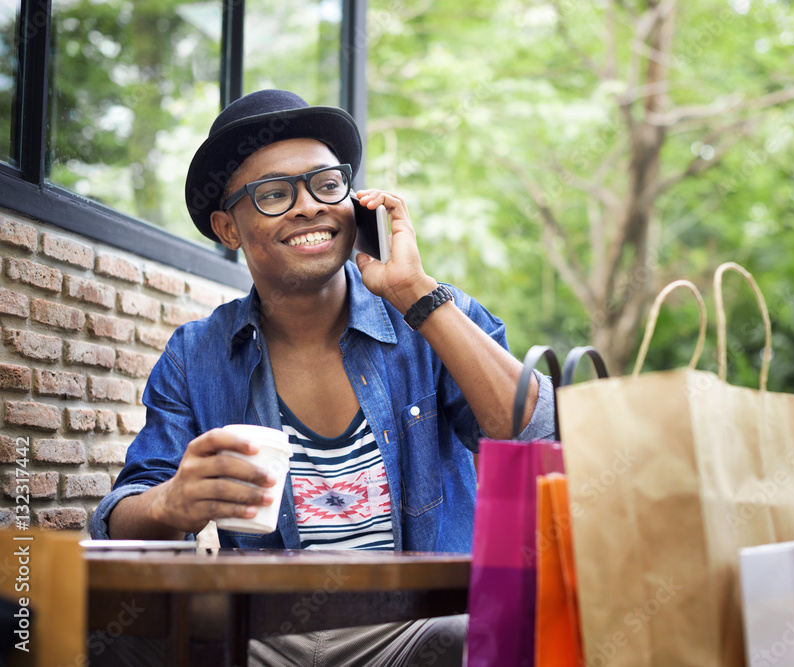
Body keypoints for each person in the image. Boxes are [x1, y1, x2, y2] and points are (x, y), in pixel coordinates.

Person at [89, 89, 555, 666]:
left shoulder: (431, 316)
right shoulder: (195, 355)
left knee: (497, 637)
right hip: (261, 631)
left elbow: (536, 435)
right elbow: (121, 520)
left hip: (416, 628)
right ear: (228, 228)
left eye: (327, 184)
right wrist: (172, 505)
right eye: (275, 194)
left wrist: (413, 293)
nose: (309, 206)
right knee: (102, 638)